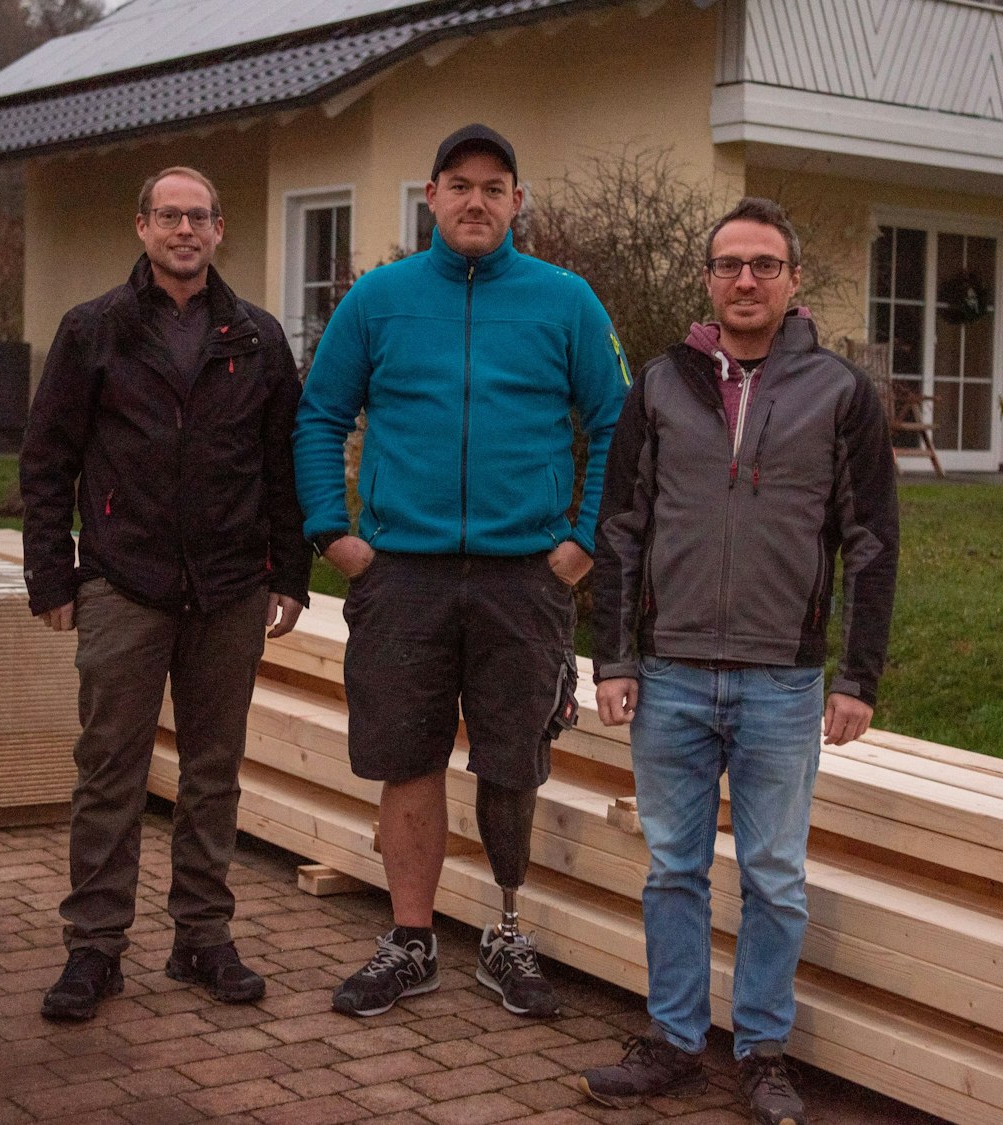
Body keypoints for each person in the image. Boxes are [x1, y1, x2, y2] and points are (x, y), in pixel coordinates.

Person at [295, 124, 629, 1020]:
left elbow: (618, 428)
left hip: (527, 575)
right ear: (431, 198)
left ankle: (508, 933)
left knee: (512, 761)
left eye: (494, 186)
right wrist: (335, 534)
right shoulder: (379, 300)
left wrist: (581, 543)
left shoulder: (566, 302)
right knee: (407, 758)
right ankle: (411, 940)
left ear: (518, 202)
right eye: (458, 185)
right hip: (403, 574)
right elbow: (318, 416)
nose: (476, 201)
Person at [578, 198, 899, 1124]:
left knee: (774, 874)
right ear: (709, 279)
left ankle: (761, 1051)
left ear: (794, 280)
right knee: (673, 867)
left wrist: (857, 676)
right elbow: (622, 527)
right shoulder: (659, 385)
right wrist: (615, 657)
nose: (746, 280)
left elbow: (872, 541)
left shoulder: (839, 392)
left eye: (764, 265)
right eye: (729, 265)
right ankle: (677, 1041)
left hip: (783, 679)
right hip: (670, 672)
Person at [19, 165, 311, 1022]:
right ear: (142, 227)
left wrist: (288, 574)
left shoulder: (256, 339)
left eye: (200, 217)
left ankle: (202, 935)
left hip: (229, 588)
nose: (185, 230)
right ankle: (94, 948)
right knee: (110, 770)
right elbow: (46, 462)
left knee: (213, 772)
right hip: (124, 582)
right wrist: (51, 572)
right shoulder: (93, 332)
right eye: (169, 215)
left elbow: (285, 469)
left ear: (220, 230)